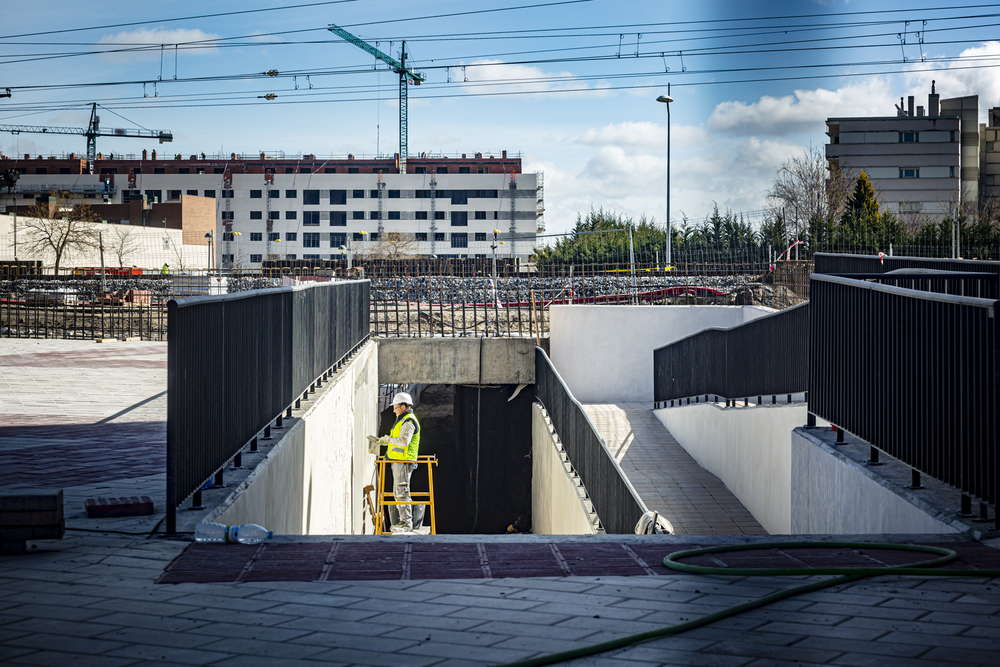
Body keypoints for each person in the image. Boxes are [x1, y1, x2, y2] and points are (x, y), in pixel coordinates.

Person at [380, 392, 420, 533]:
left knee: (402, 492)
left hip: (403, 462)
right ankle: (404, 521)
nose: (393, 410)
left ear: (403, 407)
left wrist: (388, 440)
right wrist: (386, 444)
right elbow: (397, 441)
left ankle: (407, 522)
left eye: (395, 407)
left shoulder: (408, 421)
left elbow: (404, 441)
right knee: (398, 492)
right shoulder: (402, 420)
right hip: (398, 462)